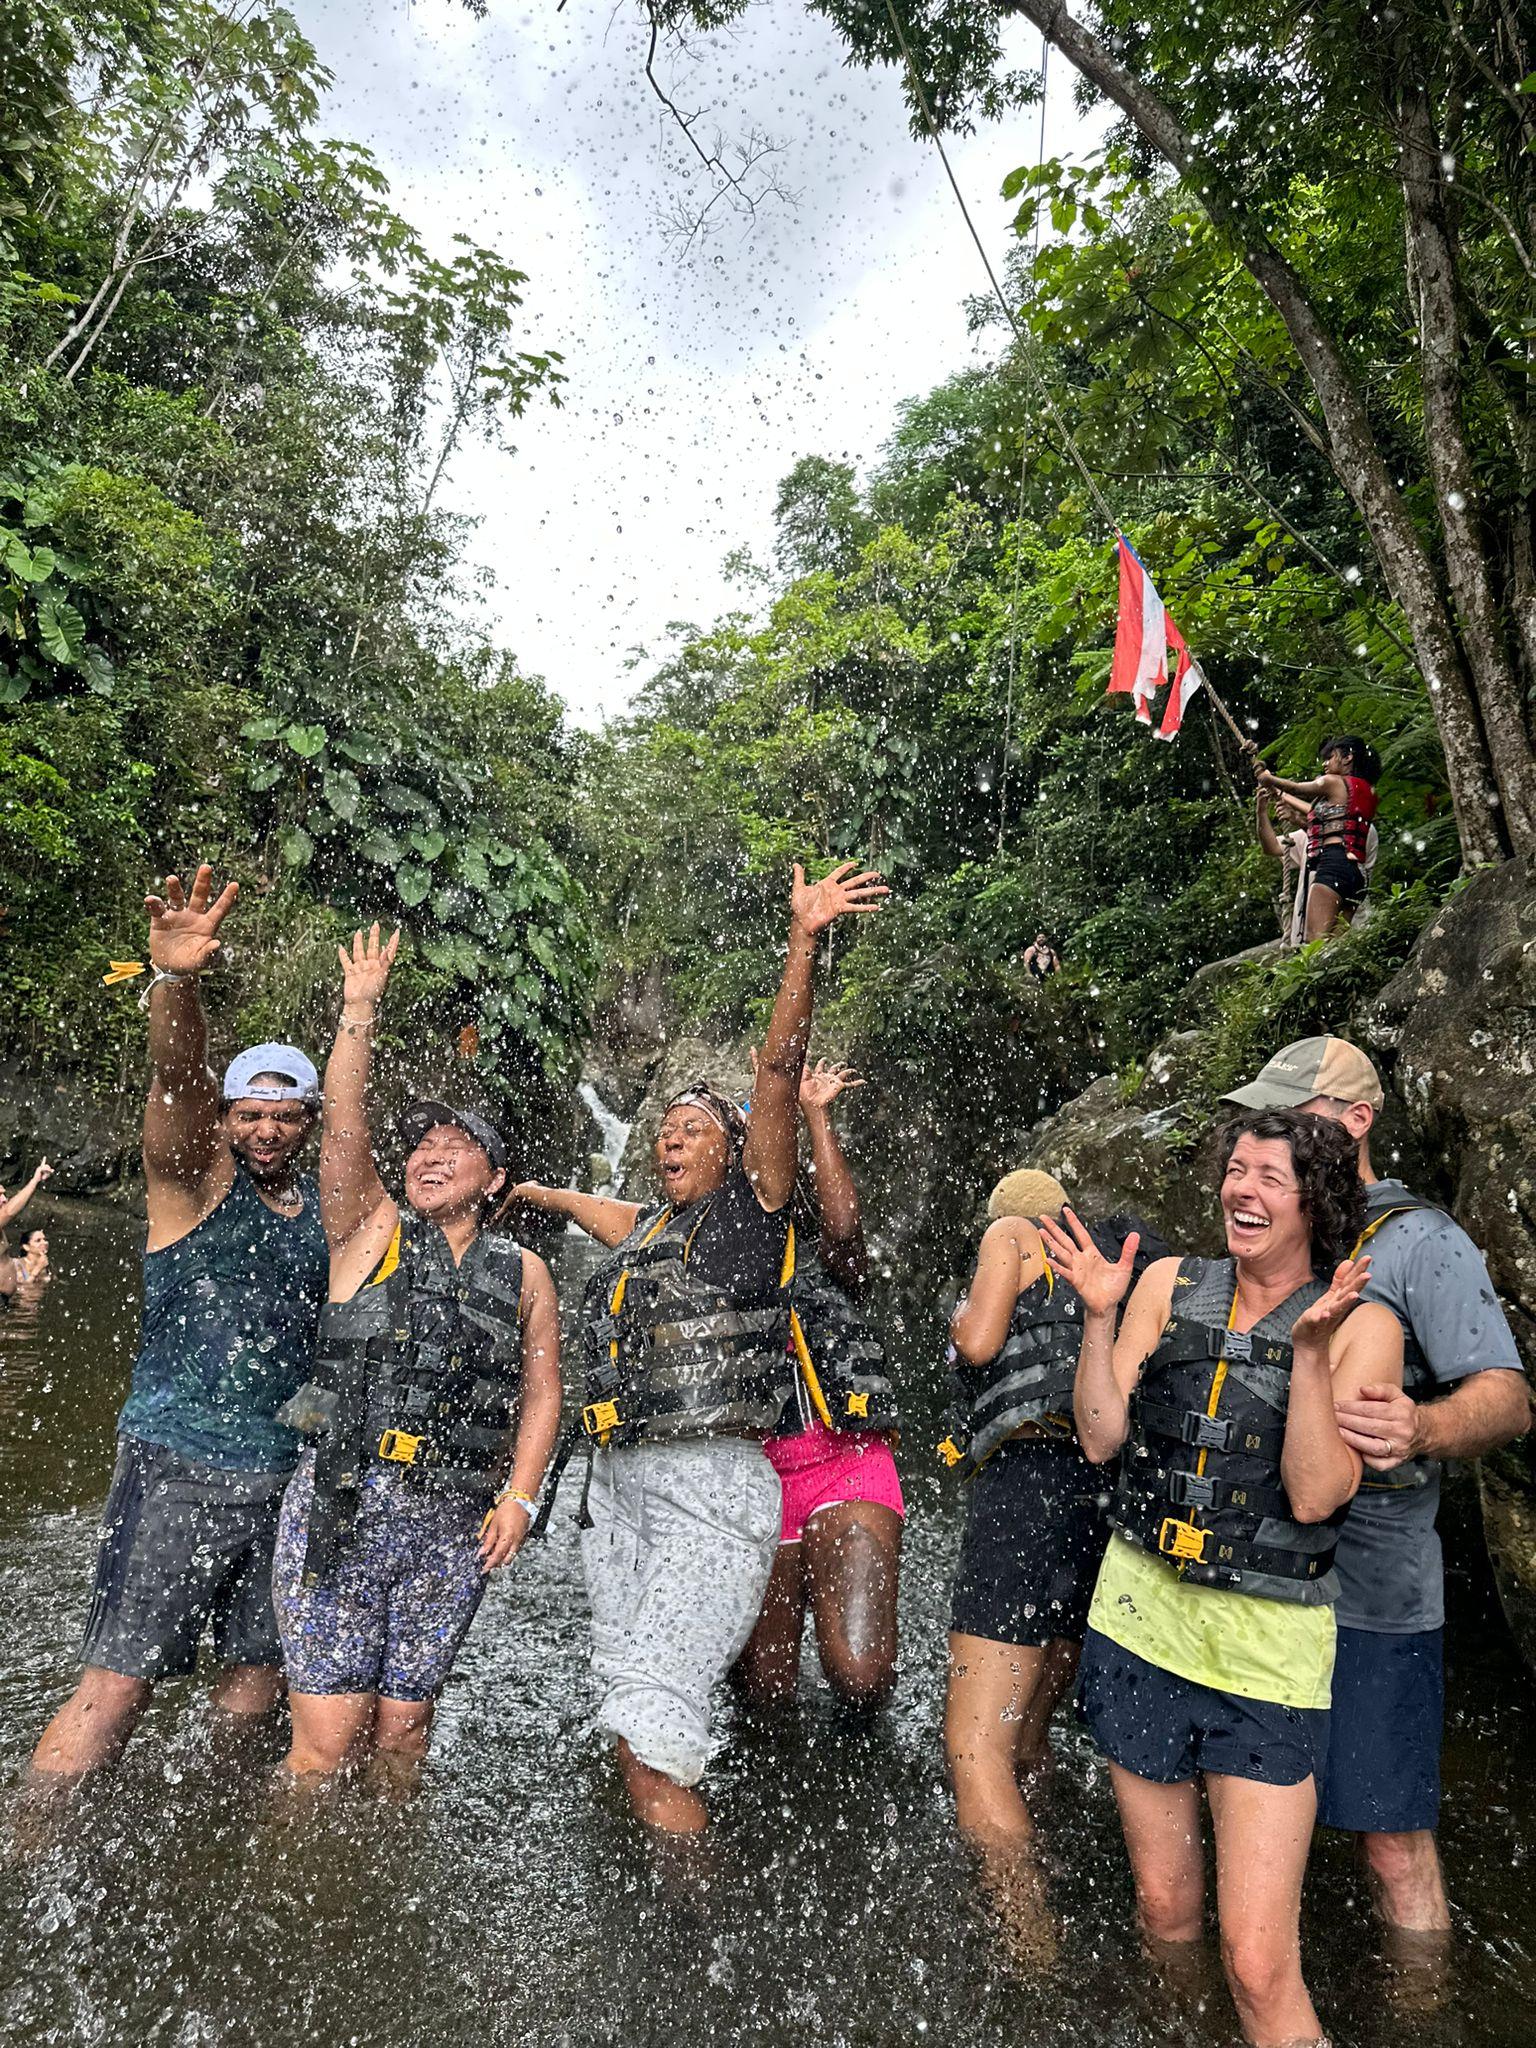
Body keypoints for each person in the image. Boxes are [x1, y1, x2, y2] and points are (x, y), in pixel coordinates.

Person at [511, 860, 886, 1831]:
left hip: (741, 1476)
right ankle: (725, 1863)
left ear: (734, 1149)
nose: (670, 1141)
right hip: (644, 1489)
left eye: (691, 1129)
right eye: (664, 1132)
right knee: (704, 1701)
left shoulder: (745, 1218)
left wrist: (802, 943)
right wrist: (542, 1196)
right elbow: (611, 1213)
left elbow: (771, 1076)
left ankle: (713, 1909)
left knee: (685, 1726)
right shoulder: (654, 1231)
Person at [1040, 1109, 1402, 2048]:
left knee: (1256, 1959)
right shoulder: (1167, 1283)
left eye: (1268, 1179)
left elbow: (1317, 1497)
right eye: (1236, 1171)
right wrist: (1098, 1316)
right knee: (1164, 1914)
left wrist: (1311, 1355)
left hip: (1265, 1662)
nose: (1242, 1191)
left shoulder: (1365, 1328)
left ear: (1314, 1203)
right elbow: (1099, 1435)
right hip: (1138, 1630)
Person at [1222, 1038, 1531, 1940]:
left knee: (1390, 1841)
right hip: (1266, 1576)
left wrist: (1421, 1427)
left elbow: (1510, 1399)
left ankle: (1420, 2008)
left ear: (1357, 1121)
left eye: (1292, 1113)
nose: (1269, 1134)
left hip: (1374, 1592)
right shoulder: (1277, 1222)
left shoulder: (1422, 1241)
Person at [28, 865, 327, 1784]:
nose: (266, 1132)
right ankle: (30, 1845)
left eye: (285, 1117)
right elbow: (174, 1083)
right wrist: (178, 985)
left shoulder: (325, 1210)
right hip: (177, 1463)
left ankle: (199, 1828)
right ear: (227, 1119)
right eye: (250, 1115)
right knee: (118, 1683)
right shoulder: (192, 1187)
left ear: (310, 1123)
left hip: (285, 1476)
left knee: (256, 1678)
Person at [270, 926, 561, 1787]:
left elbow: (543, 1394)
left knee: (403, 1737)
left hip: (453, 1524)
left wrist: (519, 1497)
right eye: (419, 1147)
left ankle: (379, 1889)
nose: (428, 1155)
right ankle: (298, 1890)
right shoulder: (371, 1229)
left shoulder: (528, 1272)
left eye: (454, 1146)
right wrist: (358, 1010)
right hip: (347, 1503)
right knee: (325, 1748)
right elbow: (342, 1135)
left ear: (497, 1177)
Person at [942, 1170, 1165, 1854]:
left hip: (1026, 1487)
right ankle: (1056, 1867)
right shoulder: (1115, 1265)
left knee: (977, 1751)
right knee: (1032, 1731)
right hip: (1101, 1498)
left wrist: (956, 1316)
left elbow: (978, 1341)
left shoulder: (1012, 1234)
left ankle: (1025, 1949)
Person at [734, 1056, 904, 1707]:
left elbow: (845, 1232)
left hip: (844, 1461)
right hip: (751, 1481)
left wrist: (814, 1113)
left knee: (861, 1679)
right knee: (761, 1696)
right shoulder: (694, 1256)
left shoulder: (821, 1260)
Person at [1256, 735, 1380, 941]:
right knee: (1337, 944)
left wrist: (1268, 779)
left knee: (1317, 942)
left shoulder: (1333, 782)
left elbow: (1298, 788)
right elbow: (1330, 825)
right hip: (1356, 876)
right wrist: (1294, 816)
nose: (1325, 764)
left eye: (1330, 757)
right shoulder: (1361, 793)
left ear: (1348, 758)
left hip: (1333, 866)